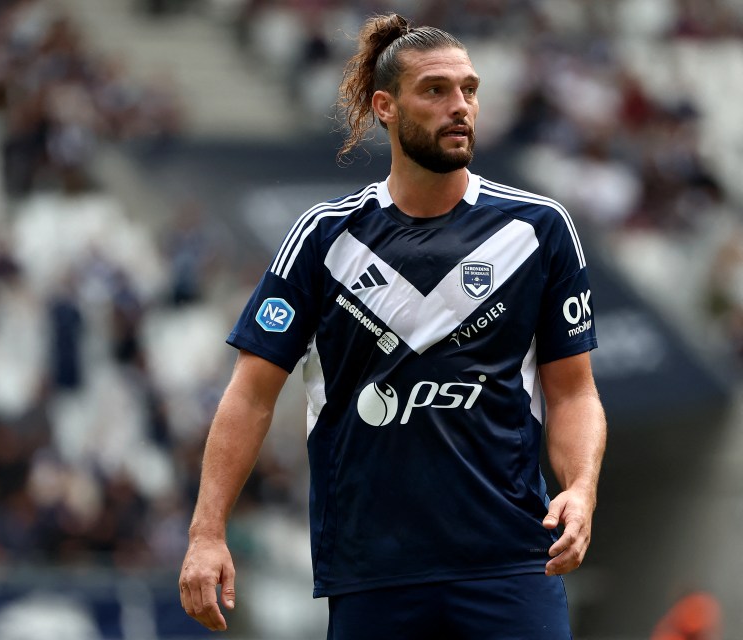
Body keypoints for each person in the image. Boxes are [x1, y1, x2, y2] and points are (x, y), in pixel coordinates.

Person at [179, 13, 607, 639]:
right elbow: (249, 394)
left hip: (511, 563)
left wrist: (582, 489)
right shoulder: (324, 236)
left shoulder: (538, 229)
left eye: (470, 89)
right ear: (386, 106)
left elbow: (574, 391)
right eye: (436, 90)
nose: (460, 106)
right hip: (371, 571)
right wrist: (206, 532)